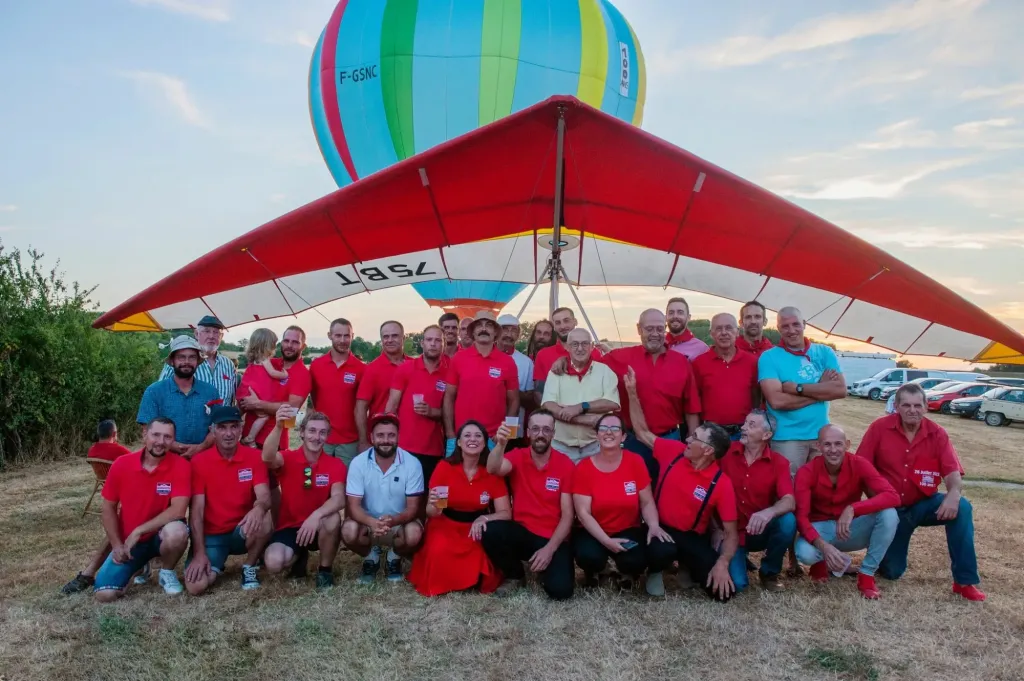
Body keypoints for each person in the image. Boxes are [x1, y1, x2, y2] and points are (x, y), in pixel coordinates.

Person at [856, 382, 985, 601]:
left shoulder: (937, 434)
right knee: (892, 572)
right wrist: (876, 501)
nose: (912, 410)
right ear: (896, 406)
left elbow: (952, 472)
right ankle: (881, 555)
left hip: (922, 504)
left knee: (962, 507)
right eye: (906, 405)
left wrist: (953, 495)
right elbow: (861, 469)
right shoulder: (879, 428)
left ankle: (964, 582)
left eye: (917, 405)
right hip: (890, 510)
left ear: (926, 406)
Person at [624, 371, 738, 601]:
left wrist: (722, 563)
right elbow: (642, 432)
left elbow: (731, 532)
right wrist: (632, 393)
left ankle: (687, 566)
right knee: (661, 550)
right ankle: (655, 570)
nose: (687, 439)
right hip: (660, 528)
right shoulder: (674, 452)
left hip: (692, 537)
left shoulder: (721, 483)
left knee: (723, 595)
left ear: (707, 450)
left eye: (694, 437)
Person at [794, 424, 899, 599]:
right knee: (804, 553)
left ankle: (866, 574)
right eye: (827, 444)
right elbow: (801, 517)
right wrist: (823, 546)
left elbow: (893, 496)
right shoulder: (807, 471)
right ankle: (820, 562)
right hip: (820, 530)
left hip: (848, 529)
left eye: (838, 444)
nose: (833, 450)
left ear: (847, 444)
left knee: (889, 514)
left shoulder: (859, 463)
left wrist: (853, 508)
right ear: (819, 446)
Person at [92, 418, 191, 602]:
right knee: (104, 594)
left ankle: (166, 571)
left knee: (177, 531)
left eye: (167, 437)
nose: (161, 442)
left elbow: (178, 510)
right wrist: (116, 545)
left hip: (160, 536)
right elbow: (108, 508)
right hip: (130, 544)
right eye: (156, 435)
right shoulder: (121, 464)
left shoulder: (181, 466)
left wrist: (139, 531)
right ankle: (138, 566)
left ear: (173, 440)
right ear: (145, 434)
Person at [408, 420, 511, 597]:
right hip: (445, 522)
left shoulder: (491, 471)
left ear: (485, 442)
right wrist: (434, 506)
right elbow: (431, 512)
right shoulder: (444, 467)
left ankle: (466, 581)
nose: (473, 439)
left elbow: (506, 513)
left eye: (478, 436)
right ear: (458, 442)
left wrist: (485, 518)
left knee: (481, 559)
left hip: (475, 526)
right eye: (467, 435)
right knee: (439, 549)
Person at [483, 410, 576, 600]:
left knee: (561, 592)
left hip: (552, 538)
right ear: (527, 432)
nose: (540, 434)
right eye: (535, 429)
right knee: (490, 530)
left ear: (553, 433)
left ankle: (545, 568)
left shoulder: (565, 464)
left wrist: (549, 550)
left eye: (546, 429)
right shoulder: (518, 456)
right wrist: (501, 444)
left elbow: (568, 516)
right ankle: (515, 575)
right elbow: (492, 468)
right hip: (522, 533)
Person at [598, 309, 701, 482]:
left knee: (667, 491)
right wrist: (564, 360)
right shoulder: (619, 357)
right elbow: (586, 365)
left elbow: (691, 407)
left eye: (660, 329)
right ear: (639, 329)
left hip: (669, 440)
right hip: (632, 441)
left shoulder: (681, 362)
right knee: (630, 493)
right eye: (649, 329)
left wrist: (693, 442)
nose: (655, 334)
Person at [184, 406, 272, 595]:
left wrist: (259, 507)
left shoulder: (255, 457)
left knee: (265, 517)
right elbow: (196, 513)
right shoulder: (199, 462)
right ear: (212, 431)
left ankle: (249, 566)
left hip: (242, 530)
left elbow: (264, 496)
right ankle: (215, 561)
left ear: (241, 429)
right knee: (195, 587)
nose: (229, 433)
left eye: (234, 427)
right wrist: (199, 553)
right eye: (222, 427)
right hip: (212, 536)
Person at [571, 412, 663, 589]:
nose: (609, 432)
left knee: (636, 561)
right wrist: (607, 542)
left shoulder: (635, 461)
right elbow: (583, 514)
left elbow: (647, 502)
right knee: (588, 556)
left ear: (624, 435)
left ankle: (627, 572)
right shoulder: (583, 467)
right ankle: (597, 571)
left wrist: (653, 525)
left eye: (615, 428)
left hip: (627, 528)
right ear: (596, 435)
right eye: (603, 428)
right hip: (593, 530)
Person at [261, 407, 346, 589]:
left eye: (323, 432)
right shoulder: (288, 458)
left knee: (332, 518)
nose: (317, 437)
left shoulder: (335, 464)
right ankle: (299, 555)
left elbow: (339, 499)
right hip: (290, 526)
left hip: (319, 526)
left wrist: (316, 516)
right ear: (301, 433)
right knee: (273, 563)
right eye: (312, 431)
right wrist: (278, 426)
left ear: (327, 436)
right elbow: (267, 457)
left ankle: (324, 570)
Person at [758, 307, 846, 476]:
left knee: (821, 489)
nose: (791, 330)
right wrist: (820, 391)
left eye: (796, 324)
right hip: (787, 438)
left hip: (822, 436)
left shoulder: (824, 352)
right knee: (788, 490)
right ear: (778, 329)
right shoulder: (769, 357)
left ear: (804, 324)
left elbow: (840, 390)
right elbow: (777, 401)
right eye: (785, 326)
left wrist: (798, 389)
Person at [717, 410, 796, 592]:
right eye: (745, 423)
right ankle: (737, 558)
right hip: (729, 533)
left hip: (757, 531)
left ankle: (769, 572)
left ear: (766, 435)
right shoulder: (726, 453)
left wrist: (769, 512)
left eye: (751, 425)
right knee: (737, 585)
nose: (743, 428)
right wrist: (714, 528)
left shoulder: (779, 462)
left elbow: (789, 501)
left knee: (788, 521)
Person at [343, 413, 425, 584]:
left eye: (391, 435)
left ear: (398, 437)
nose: (386, 440)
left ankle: (393, 557)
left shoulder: (412, 463)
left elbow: (412, 508)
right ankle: (370, 557)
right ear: (371, 437)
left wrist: (393, 521)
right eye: (380, 435)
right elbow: (353, 506)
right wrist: (372, 522)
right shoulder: (358, 463)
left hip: (399, 523)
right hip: (367, 523)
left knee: (414, 533)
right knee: (348, 531)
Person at [61, 419, 133, 595]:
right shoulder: (119, 450)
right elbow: (133, 463)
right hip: (121, 487)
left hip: (103, 482)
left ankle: (90, 573)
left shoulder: (93, 448)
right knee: (122, 522)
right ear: (114, 434)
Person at [443, 311, 519, 453]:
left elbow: (514, 401)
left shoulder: (508, 362)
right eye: (479, 325)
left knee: (492, 475)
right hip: (461, 437)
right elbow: (448, 398)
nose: (484, 329)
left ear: (496, 332)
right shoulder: (458, 359)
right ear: (473, 331)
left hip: (493, 439)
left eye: (489, 325)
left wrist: (506, 435)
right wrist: (450, 434)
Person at [540, 328, 620, 462]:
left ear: (592, 346)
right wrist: (585, 420)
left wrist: (580, 407)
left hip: (596, 447)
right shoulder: (556, 372)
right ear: (568, 347)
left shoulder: (605, 371)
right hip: (561, 448)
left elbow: (612, 402)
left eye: (585, 343)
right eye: (575, 344)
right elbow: (548, 405)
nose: (580, 348)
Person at [386, 325, 448, 484]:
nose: (433, 344)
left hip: (434, 448)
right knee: (401, 496)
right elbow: (391, 407)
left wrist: (432, 412)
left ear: (443, 344)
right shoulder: (406, 369)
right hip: (405, 447)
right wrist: (388, 441)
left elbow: (452, 412)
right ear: (422, 343)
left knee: (427, 497)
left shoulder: (449, 373)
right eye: (429, 339)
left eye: (437, 340)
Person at [138, 335, 219, 458]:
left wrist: (200, 447)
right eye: (181, 357)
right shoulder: (154, 391)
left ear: (197, 361)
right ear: (172, 361)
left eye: (192, 357)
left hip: (203, 459)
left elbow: (217, 427)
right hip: (165, 459)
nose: (186, 362)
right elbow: (146, 430)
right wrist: (173, 445)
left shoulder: (211, 392)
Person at [237, 325, 312, 450]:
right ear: (281, 342)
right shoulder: (271, 363)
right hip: (248, 437)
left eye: (295, 342)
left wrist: (257, 404)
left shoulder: (302, 374)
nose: (289, 345)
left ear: (303, 346)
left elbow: (291, 411)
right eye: (286, 341)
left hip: (273, 441)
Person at [691, 313, 760, 440]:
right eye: (718, 329)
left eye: (729, 328)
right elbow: (694, 402)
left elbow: (756, 397)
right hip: (710, 435)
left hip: (743, 433)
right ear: (711, 333)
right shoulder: (699, 363)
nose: (724, 333)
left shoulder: (752, 362)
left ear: (737, 332)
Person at [309, 318, 365, 466]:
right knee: (316, 483)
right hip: (321, 438)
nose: (342, 340)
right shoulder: (316, 366)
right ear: (329, 335)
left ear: (352, 336)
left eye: (346, 336)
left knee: (345, 484)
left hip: (349, 441)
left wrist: (363, 439)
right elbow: (312, 400)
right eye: (338, 335)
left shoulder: (361, 369)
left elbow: (363, 407)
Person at [158, 315, 237, 405]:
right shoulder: (180, 362)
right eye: (207, 331)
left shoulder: (228, 364)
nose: (211, 336)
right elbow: (160, 394)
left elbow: (232, 401)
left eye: (216, 332)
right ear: (196, 334)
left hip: (222, 418)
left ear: (221, 336)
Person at [356, 320, 409, 451]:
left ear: (404, 337)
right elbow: (360, 408)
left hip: (411, 439)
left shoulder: (414, 366)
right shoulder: (372, 369)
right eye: (386, 337)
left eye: (395, 336)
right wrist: (363, 441)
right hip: (382, 439)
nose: (390, 340)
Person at [533, 307, 602, 402]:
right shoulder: (543, 355)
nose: (562, 326)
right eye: (558, 323)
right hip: (554, 414)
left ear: (575, 322)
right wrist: (555, 413)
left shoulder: (594, 353)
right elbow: (539, 392)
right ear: (554, 327)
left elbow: (601, 390)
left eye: (566, 321)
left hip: (588, 414)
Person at [237, 328, 290, 446]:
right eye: (273, 345)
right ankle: (251, 438)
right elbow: (272, 373)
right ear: (267, 345)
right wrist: (284, 374)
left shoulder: (252, 362)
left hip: (248, 391)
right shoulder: (265, 360)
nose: (275, 348)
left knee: (259, 415)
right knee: (263, 416)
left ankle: (249, 438)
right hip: (258, 393)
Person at [497, 313, 535, 443]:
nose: (509, 334)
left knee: (509, 460)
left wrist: (510, 391)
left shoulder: (526, 362)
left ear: (518, 335)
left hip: (513, 429)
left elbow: (530, 396)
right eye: (505, 329)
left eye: (513, 330)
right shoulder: (486, 357)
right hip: (485, 427)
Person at [665, 296, 709, 361]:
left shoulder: (701, 349)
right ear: (666, 317)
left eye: (680, 312)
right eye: (671, 313)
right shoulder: (659, 344)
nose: (675, 316)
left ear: (688, 317)